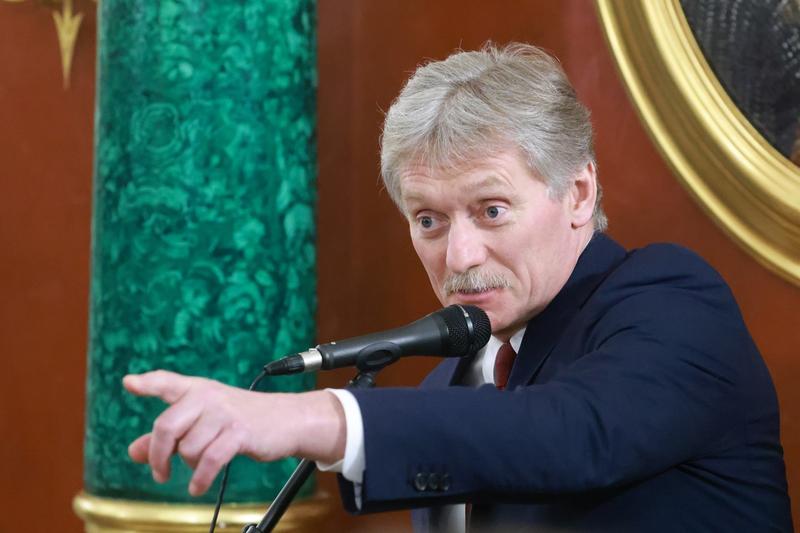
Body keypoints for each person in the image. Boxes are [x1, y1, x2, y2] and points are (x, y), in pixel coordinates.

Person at [124, 43, 793, 531]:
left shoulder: (674, 302)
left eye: (491, 210)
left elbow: (569, 431)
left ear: (578, 193)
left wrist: (312, 417)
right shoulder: (448, 385)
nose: (459, 255)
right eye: (429, 220)